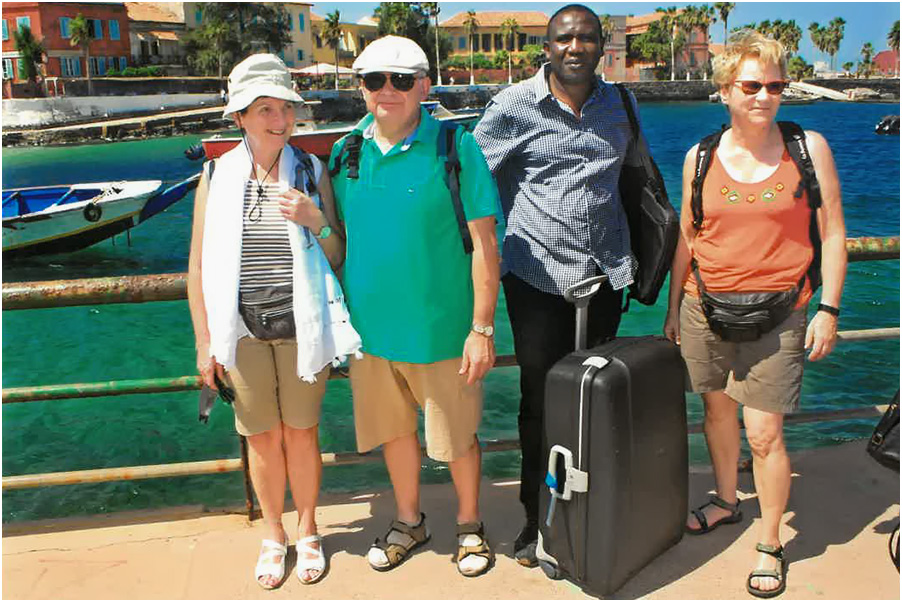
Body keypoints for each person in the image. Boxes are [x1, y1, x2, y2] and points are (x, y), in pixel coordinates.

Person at [662, 30, 846, 598]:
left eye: (774, 86)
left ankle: (770, 543)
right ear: (724, 91)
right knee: (717, 414)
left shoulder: (808, 149)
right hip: (703, 308)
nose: (764, 96)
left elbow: (833, 234)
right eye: (751, 86)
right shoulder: (699, 157)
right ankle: (726, 500)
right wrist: (672, 308)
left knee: (764, 435)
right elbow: (687, 238)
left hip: (781, 314)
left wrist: (829, 309)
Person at [472, 4, 642, 567]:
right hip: (537, 279)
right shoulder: (512, 106)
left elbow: (634, 178)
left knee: (598, 396)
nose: (575, 47)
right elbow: (470, 181)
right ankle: (536, 517)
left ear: (601, 47)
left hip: (606, 275)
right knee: (541, 403)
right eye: (564, 39)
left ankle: (593, 509)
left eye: (586, 38)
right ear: (547, 47)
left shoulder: (620, 103)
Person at [329, 35, 501, 577]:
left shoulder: (456, 147)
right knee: (394, 434)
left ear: (424, 86)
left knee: (458, 439)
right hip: (370, 334)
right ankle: (409, 522)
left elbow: (485, 246)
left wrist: (481, 329)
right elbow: (339, 238)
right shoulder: (345, 152)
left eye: (401, 80)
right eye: (375, 80)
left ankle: (470, 525)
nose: (388, 90)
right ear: (360, 87)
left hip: (442, 331)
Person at [187, 54, 361, 589]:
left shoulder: (311, 170)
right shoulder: (215, 176)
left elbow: (337, 253)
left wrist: (315, 219)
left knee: (302, 434)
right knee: (262, 438)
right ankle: (273, 533)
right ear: (239, 116)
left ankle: (308, 529)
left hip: (303, 327)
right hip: (240, 332)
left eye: (285, 108)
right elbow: (197, 267)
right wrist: (204, 343)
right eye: (264, 109)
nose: (279, 120)